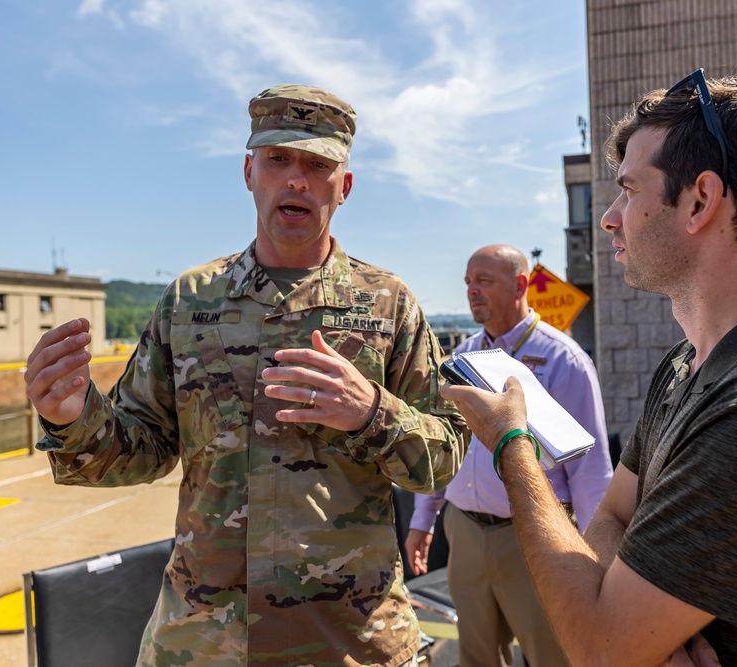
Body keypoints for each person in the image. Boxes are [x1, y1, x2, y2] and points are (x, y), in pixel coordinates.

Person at [441, 69, 737, 666]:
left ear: (700, 200)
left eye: (629, 189)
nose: (610, 218)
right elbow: (616, 512)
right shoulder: (689, 364)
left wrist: (512, 442)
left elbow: (596, 650)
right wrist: (613, 612)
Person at [24, 84, 469, 667]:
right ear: (248, 172)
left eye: (318, 164)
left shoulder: (388, 304)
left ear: (345, 186)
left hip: (348, 641)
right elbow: (143, 450)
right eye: (278, 159)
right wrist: (73, 418)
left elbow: (445, 456)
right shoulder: (188, 302)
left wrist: (371, 413)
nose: (296, 179)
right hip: (206, 641)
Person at [405, 244, 612, 667]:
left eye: (483, 281)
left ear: (521, 285)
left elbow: (590, 470)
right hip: (463, 532)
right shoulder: (462, 358)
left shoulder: (564, 360)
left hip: (532, 540)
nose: (471, 291)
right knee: (475, 656)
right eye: (467, 282)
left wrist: (595, 562)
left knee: (549, 654)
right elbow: (444, 444)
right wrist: (422, 521)